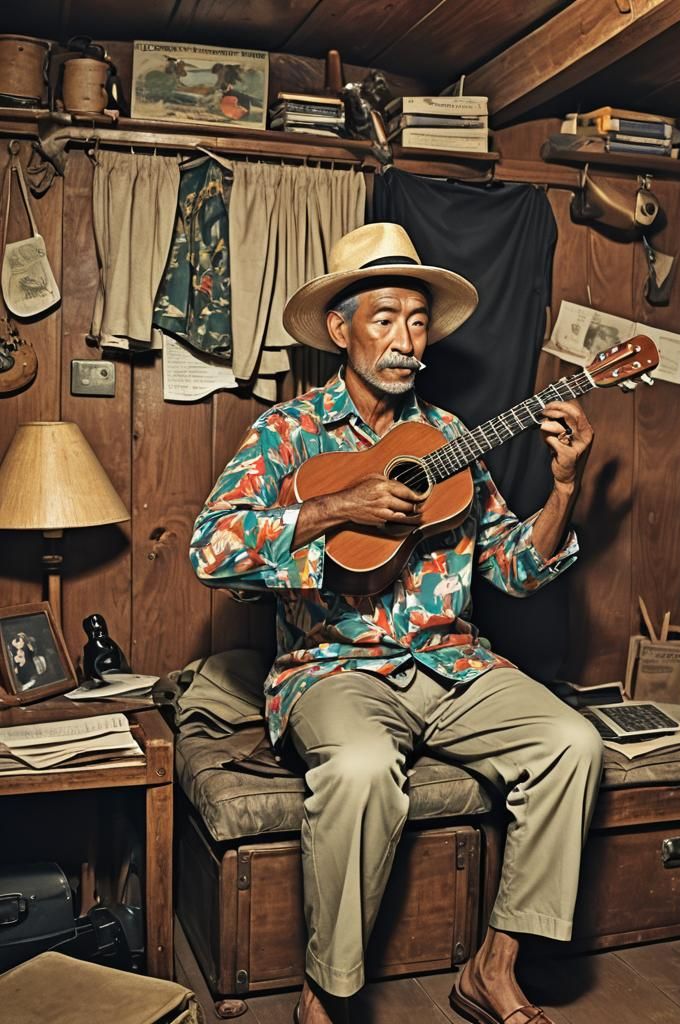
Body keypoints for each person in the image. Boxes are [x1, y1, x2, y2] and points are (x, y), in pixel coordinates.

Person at [190, 223, 603, 1024]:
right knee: (359, 769)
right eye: (384, 317)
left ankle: (495, 965)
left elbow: (515, 570)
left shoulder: (451, 439)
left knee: (573, 743)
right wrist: (336, 507)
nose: (406, 339)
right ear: (341, 329)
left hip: (452, 666)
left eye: (418, 320)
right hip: (333, 668)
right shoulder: (287, 433)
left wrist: (564, 488)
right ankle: (328, 993)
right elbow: (211, 548)